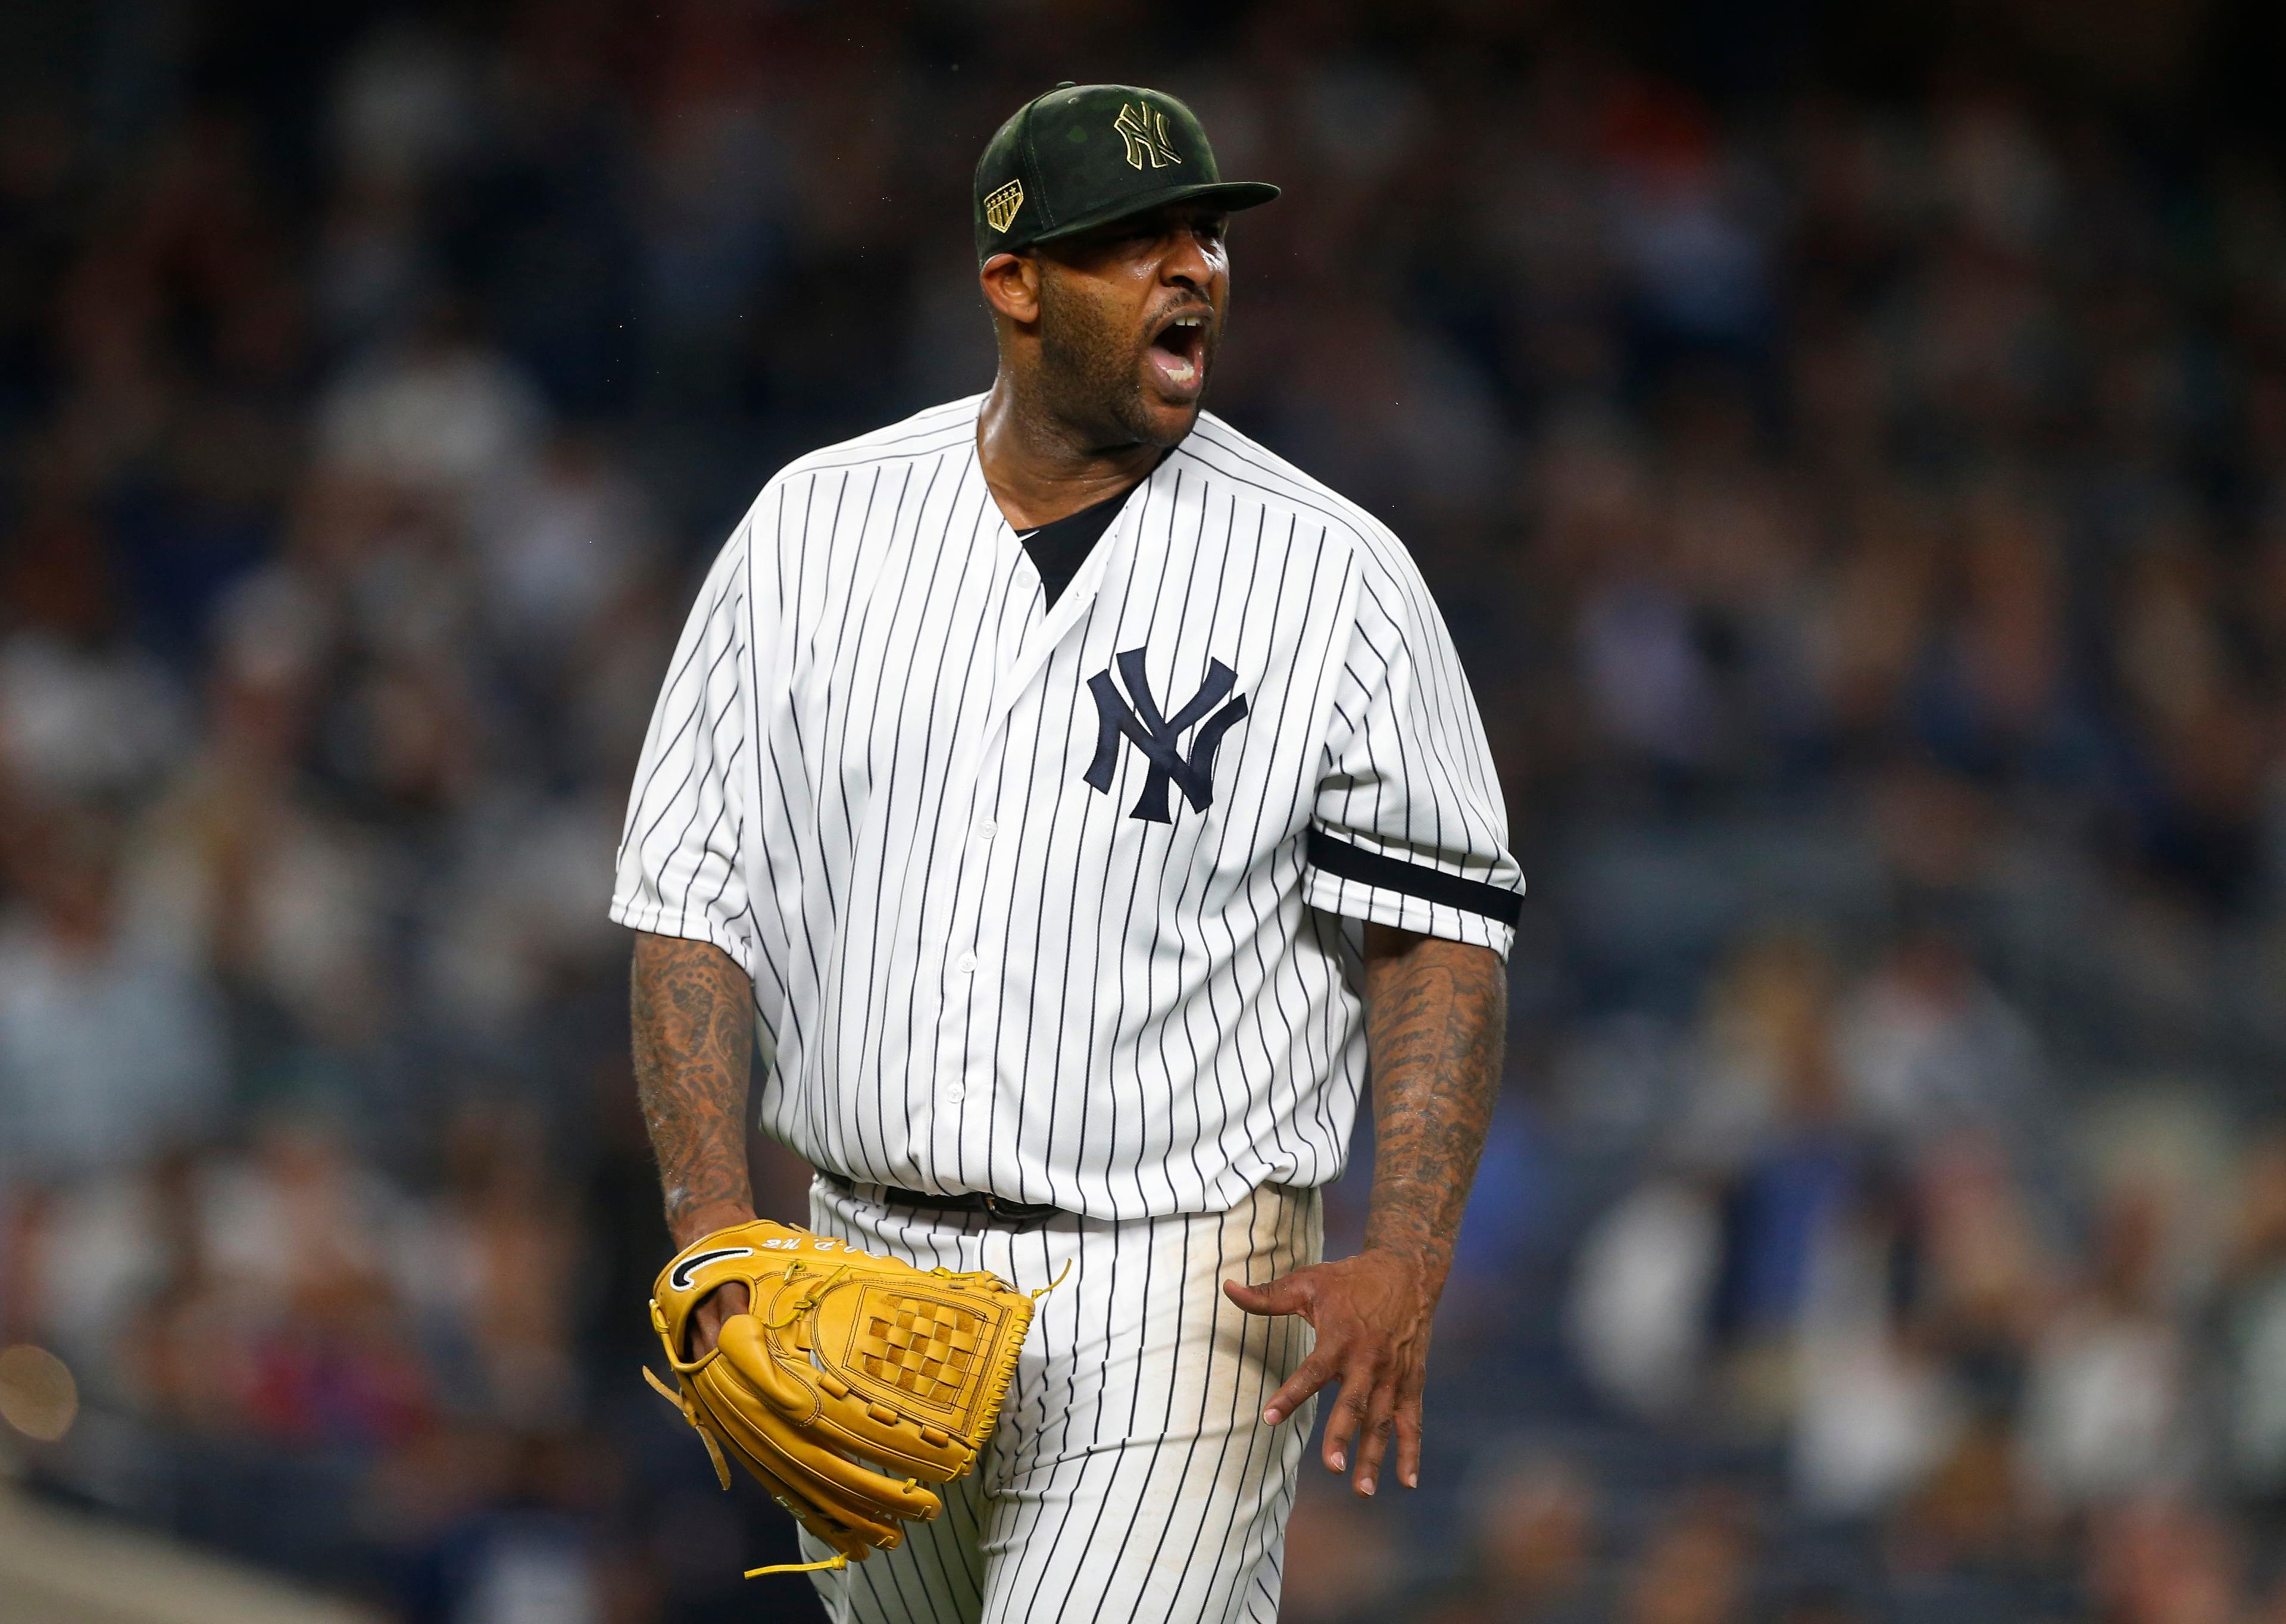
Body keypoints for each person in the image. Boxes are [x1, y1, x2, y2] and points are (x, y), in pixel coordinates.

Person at [611, 80, 1521, 1624]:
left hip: (1182, 1285)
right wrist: (710, 1229)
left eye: (1205, 237)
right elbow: (689, 906)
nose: (1194, 270)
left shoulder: (1334, 576)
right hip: (862, 1257)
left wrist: (1408, 1250)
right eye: (1135, 241)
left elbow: (1435, 934)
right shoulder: (813, 528)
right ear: (1014, 285)